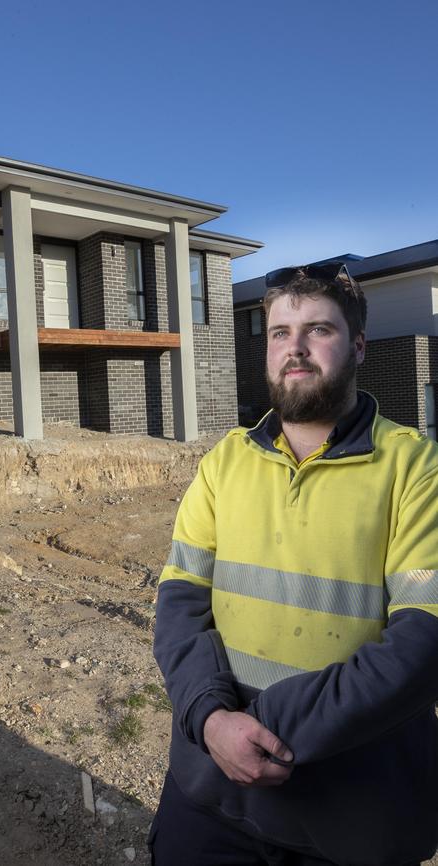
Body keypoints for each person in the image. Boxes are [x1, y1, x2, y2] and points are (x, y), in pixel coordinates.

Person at [151, 263, 438, 866]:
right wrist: (209, 719)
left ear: (358, 345)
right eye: (280, 332)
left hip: (355, 814)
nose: (296, 349)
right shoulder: (222, 464)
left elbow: (422, 642)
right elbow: (180, 604)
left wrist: (255, 729)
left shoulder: (415, 469)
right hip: (209, 796)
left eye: (318, 330)